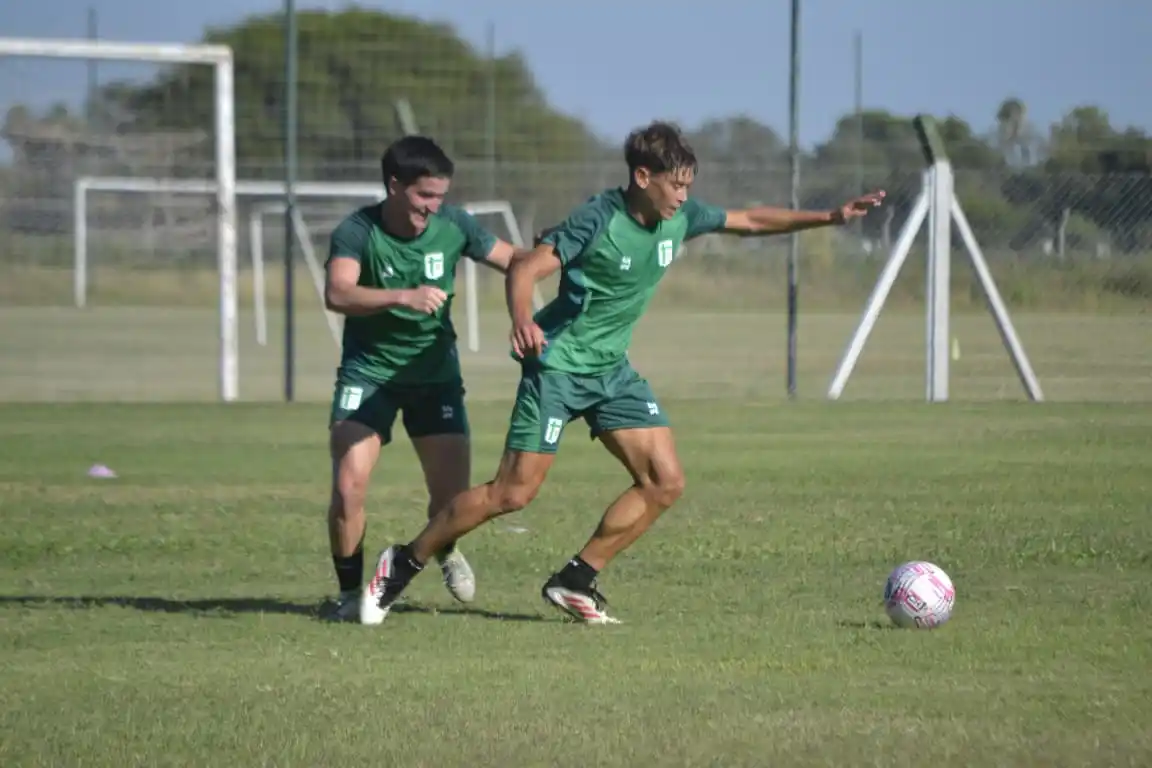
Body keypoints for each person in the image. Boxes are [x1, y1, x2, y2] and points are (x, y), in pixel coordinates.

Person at [359, 120, 885, 625]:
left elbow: (749, 221)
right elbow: (525, 267)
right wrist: (522, 319)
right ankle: (403, 562)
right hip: (557, 368)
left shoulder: (679, 217)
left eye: (688, 186)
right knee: (512, 494)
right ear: (642, 176)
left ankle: (575, 579)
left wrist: (830, 217)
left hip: (611, 371)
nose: (683, 196)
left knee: (665, 481)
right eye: (675, 185)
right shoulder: (597, 219)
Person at [322, 135, 526, 624]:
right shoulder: (357, 231)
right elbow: (338, 292)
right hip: (369, 374)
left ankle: (444, 548)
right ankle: (349, 594)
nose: (433, 207)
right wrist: (402, 296)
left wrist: (566, 251)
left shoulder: (454, 225)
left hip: (435, 377)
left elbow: (514, 259)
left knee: (452, 500)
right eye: (424, 195)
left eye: (440, 196)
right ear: (395, 185)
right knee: (349, 486)